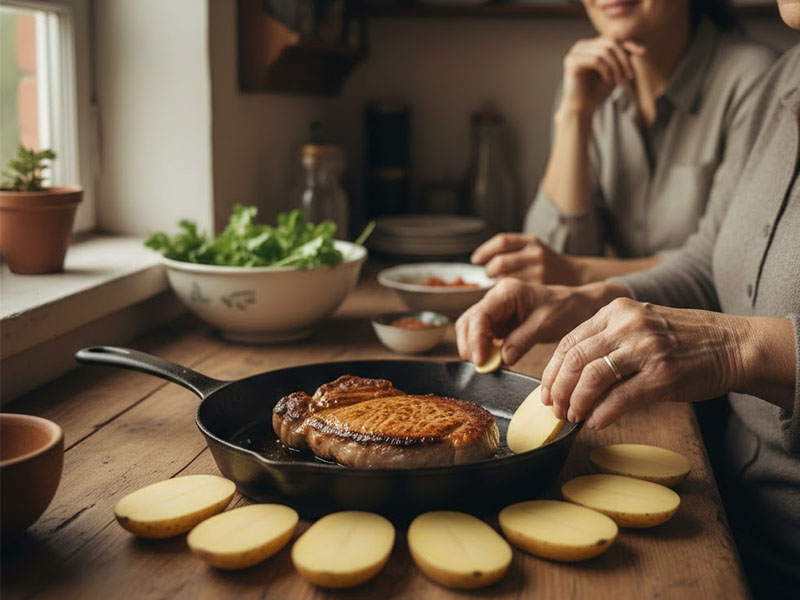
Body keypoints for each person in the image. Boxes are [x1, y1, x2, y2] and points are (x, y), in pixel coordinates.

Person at [456, 2, 800, 594]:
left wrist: (734, 347)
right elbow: (707, 264)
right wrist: (577, 298)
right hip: (725, 503)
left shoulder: (751, 71)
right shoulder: (787, 77)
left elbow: (731, 326)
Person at [472, 0, 776, 286]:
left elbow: (731, 271)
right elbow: (550, 264)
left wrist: (577, 272)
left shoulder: (758, 79)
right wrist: (574, 116)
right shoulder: (587, 84)